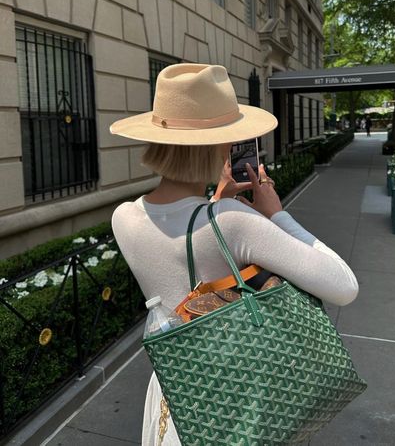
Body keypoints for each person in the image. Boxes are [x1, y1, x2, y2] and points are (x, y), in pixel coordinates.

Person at [109, 63, 359, 445]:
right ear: (221, 145)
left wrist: (215, 200)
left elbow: (183, 243)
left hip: (174, 396)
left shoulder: (123, 218)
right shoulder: (232, 221)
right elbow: (343, 285)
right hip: (234, 400)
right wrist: (276, 212)